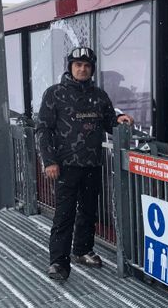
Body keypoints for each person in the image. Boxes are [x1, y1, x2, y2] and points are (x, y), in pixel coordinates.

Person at [36, 46, 134, 281]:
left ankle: (82, 250)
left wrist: (119, 119)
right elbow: (43, 129)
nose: (82, 69)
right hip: (65, 166)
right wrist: (49, 161)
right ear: (70, 67)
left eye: (87, 65)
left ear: (92, 69)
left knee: (89, 211)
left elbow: (109, 122)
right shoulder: (54, 93)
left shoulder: (99, 96)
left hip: (92, 164)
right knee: (64, 214)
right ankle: (58, 262)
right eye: (78, 64)